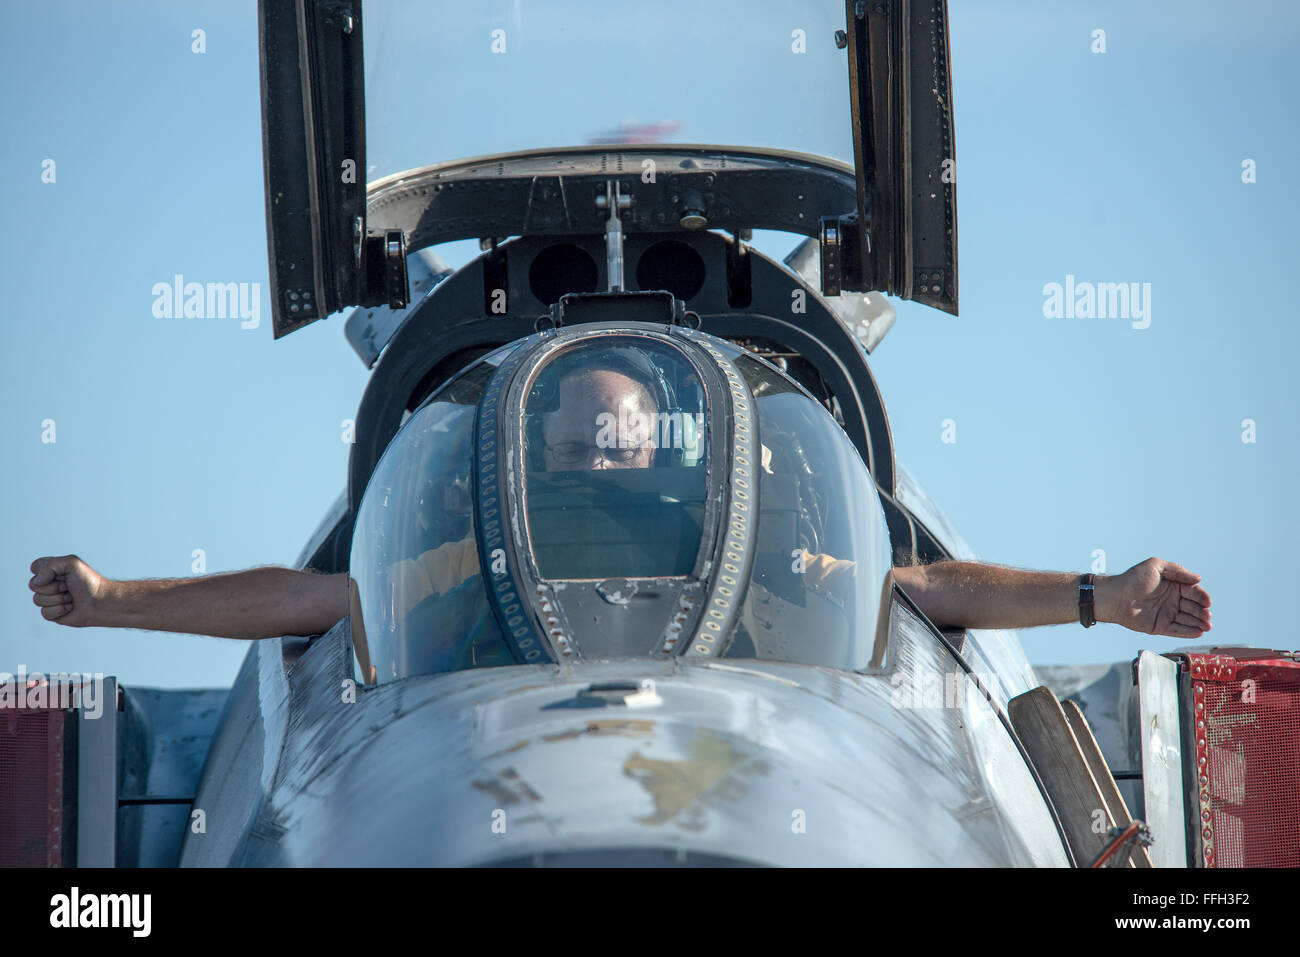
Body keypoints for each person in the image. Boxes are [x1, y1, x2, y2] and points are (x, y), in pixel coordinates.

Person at [27, 362, 1213, 645]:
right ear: (537, 450)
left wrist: (1100, 594)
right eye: (582, 440)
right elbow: (307, 598)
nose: (603, 455)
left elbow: (915, 590)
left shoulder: (753, 558)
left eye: (623, 439)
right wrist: (112, 597)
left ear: (668, 446)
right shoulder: (463, 563)